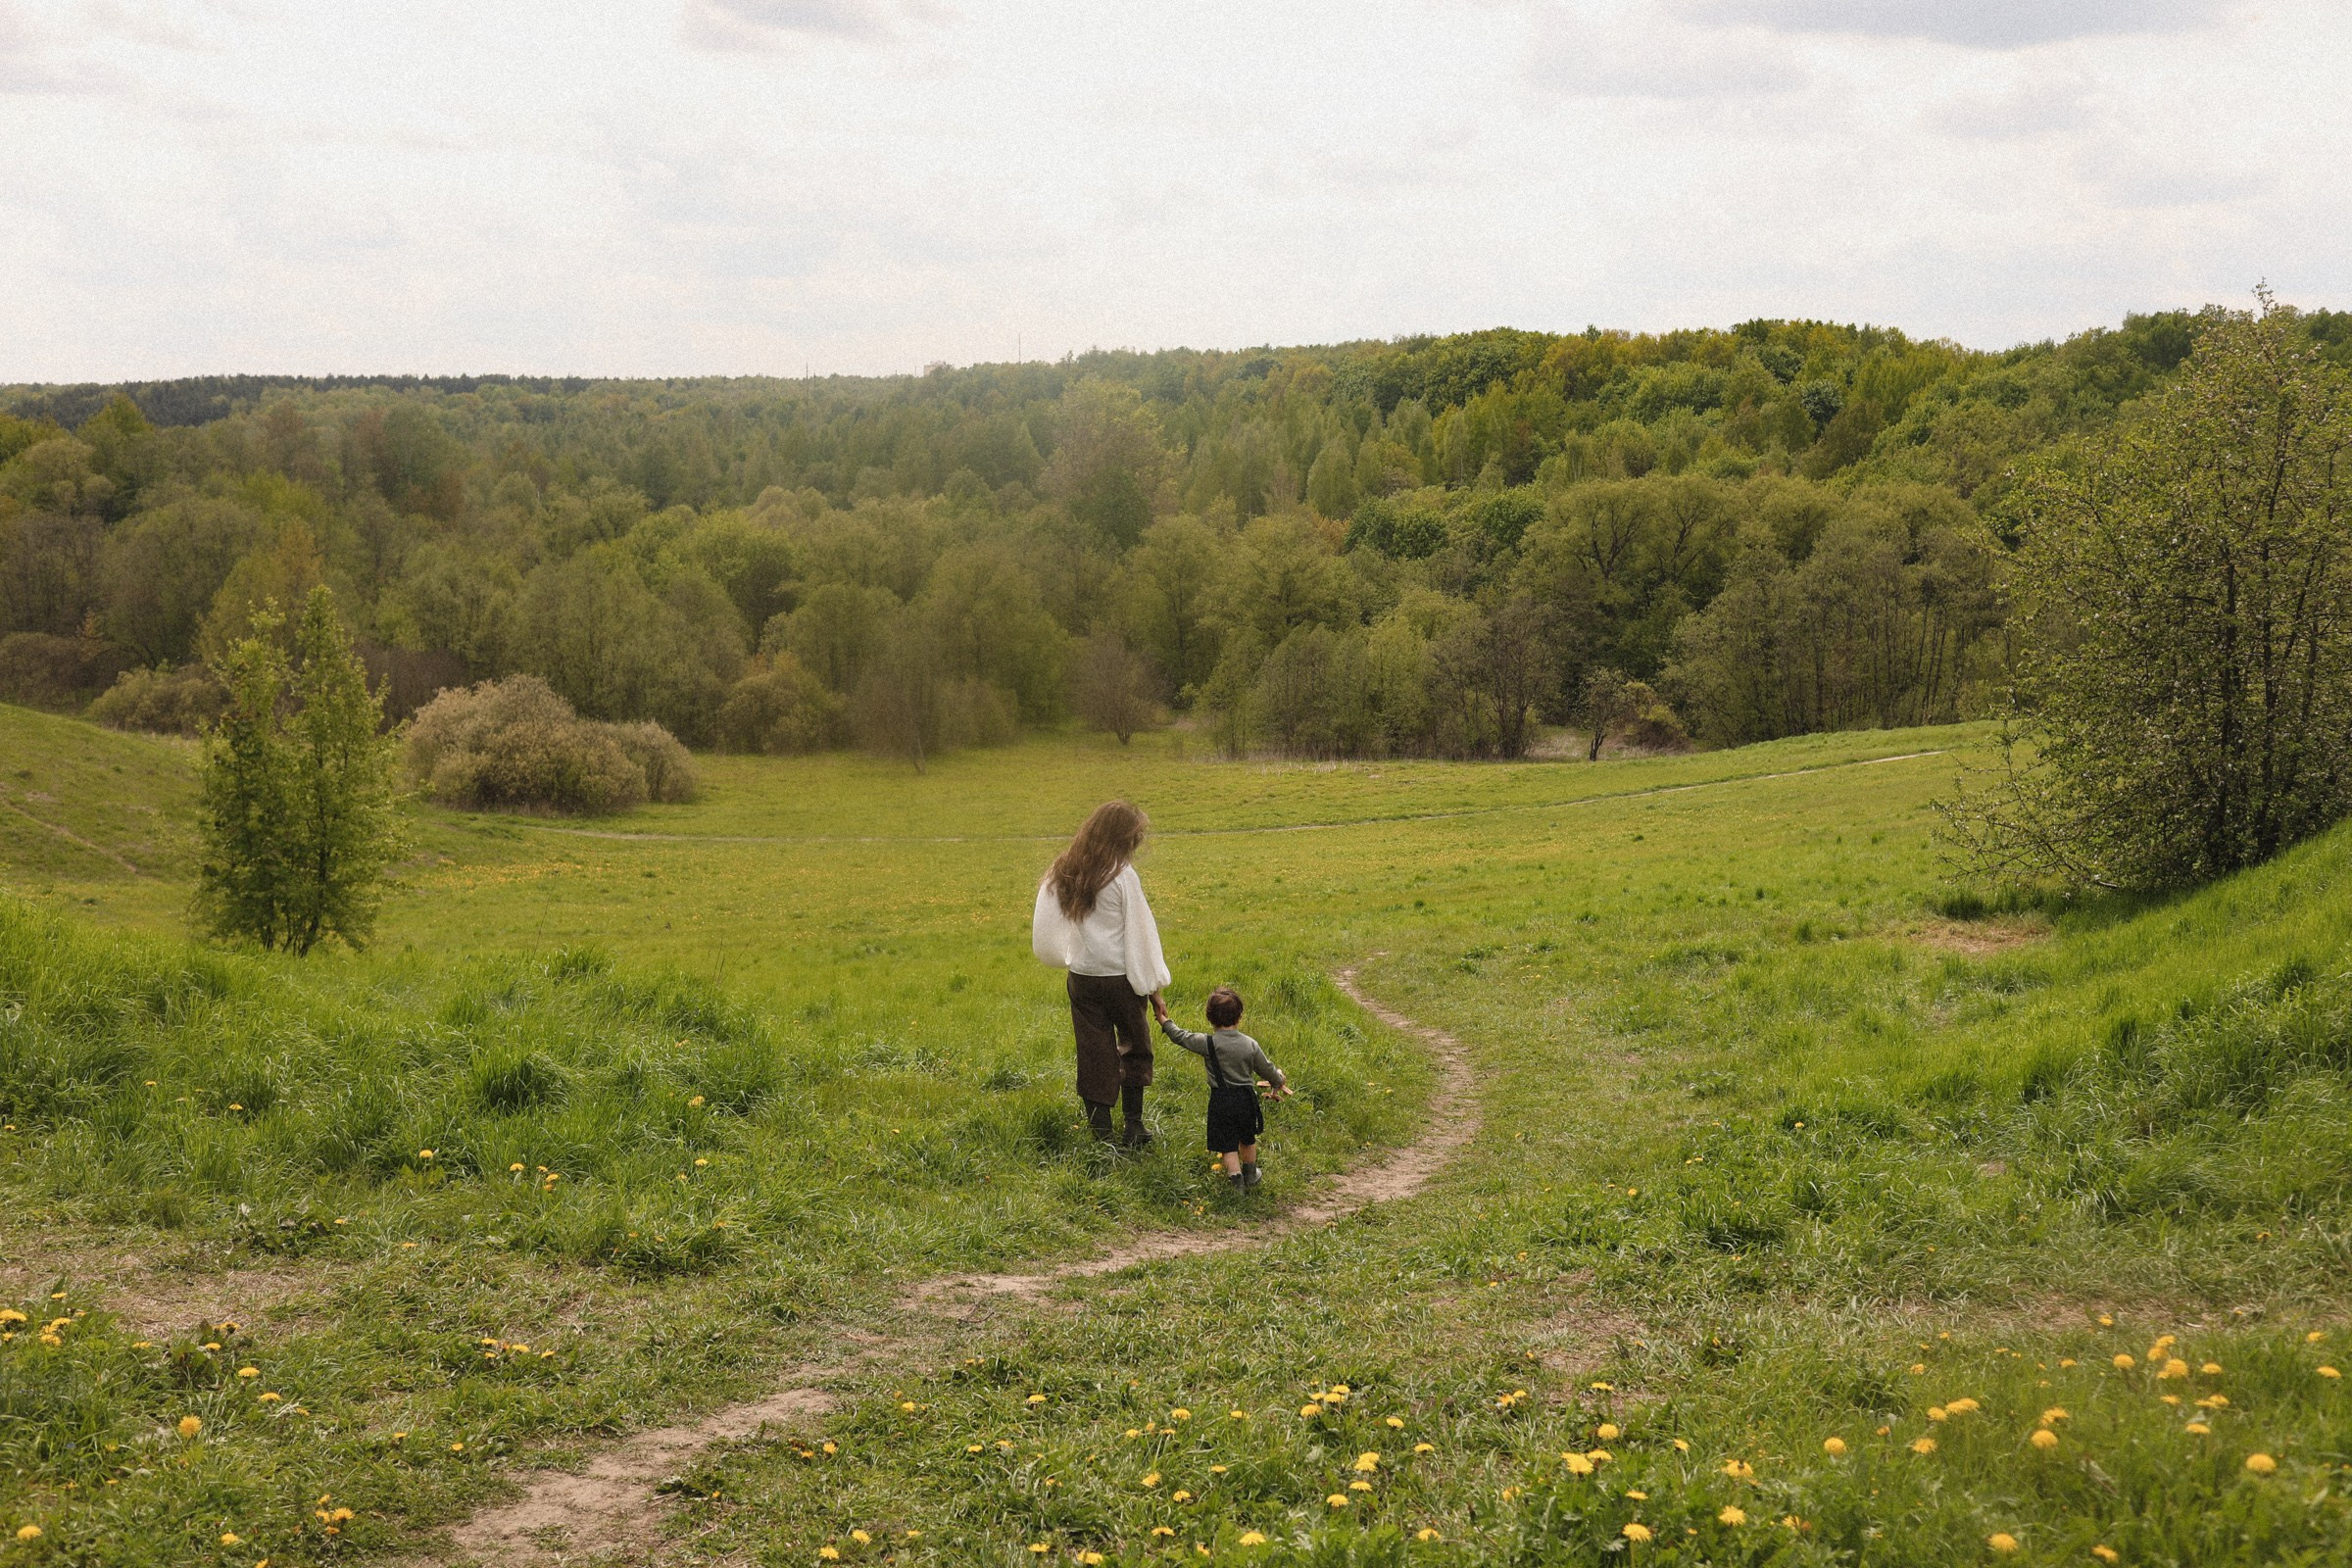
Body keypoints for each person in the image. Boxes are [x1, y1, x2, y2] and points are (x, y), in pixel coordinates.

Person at [1032, 800, 1169, 1147]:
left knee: (1094, 1052)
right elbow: (1140, 934)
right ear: (1123, 837)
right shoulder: (1123, 876)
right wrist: (1153, 989)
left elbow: (1047, 922)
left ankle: (1101, 1133)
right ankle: (1134, 1127)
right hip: (1121, 979)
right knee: (1135, 1046)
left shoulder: (1066, 868)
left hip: (1082, 977)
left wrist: (1064, 955)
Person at [1155, 985, 1288, 1190]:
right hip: (1246, 1099)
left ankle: (1236, 1182)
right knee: (1247, 1136)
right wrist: (1278, 1080)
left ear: (1210, 1017)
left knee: (1227, 1144)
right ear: (1239, 1016)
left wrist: (1164, 1020)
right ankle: (1251, 1174)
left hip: (1221, 1100)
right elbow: (1267, 1070)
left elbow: (1180, 1036)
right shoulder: (1250, 1044)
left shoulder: (1207, 1043)